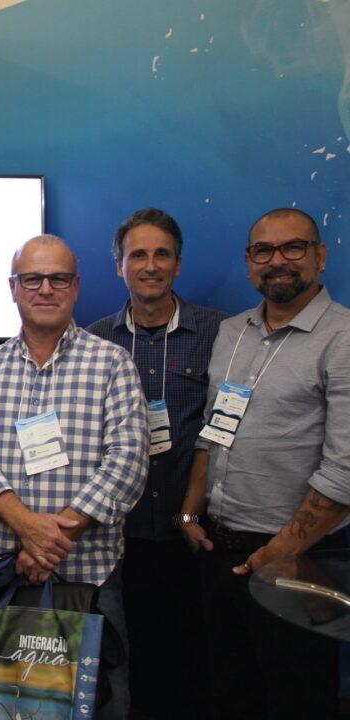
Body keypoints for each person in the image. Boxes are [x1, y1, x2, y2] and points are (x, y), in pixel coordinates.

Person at [0, 235, 148, 720]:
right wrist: (28, 528)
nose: (45, 289)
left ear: (76, 287)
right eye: (32, 279)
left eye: (58, 279)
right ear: (13, 288)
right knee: (2, 708)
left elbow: (128, 462)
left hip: (90, 578)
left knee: (103, 706)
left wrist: (49, 540)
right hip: (5, 574)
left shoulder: (112, 364)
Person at [179, 207, 350, 720]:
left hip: (299, 557)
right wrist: (189, 512)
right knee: (233, 693)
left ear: (320, 256)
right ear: (249, 261)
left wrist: (275, 555)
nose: (277, 261)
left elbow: (344, 472)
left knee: (299, 699)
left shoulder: (343, 338)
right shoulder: (233, 332)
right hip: (219, 547)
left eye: (293, 247)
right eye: (263, 250)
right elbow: (214, 430)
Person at [86, 208, 225, 719]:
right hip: (121, 534)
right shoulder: (96, 341)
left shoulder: (219, 333)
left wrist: (191, 510)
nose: (150, 265)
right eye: (137, 255)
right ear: (119, 265)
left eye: (161, 254)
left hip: (194, 529)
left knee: (197, 660)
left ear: (178, 264)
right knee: (132, 660)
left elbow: (225, 429)